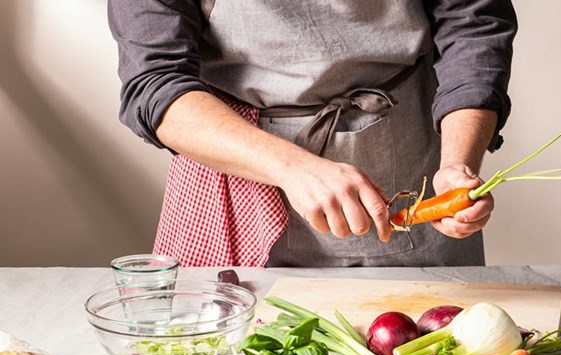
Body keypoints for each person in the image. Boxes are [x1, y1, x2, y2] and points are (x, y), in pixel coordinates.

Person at [107, 1, 517, 268]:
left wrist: (457, 163)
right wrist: (294, 169)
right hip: (239, 168)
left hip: (411, 154)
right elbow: (155, 84)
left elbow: (474, 24)